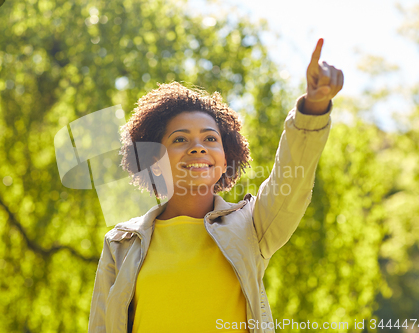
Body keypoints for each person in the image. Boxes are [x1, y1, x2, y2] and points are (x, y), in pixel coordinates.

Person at [88, 38, 344, 333]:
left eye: (210, 138)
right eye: (180, 139)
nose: (198, 148)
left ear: (224, 159)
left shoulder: (254, 227)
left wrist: (313, 107)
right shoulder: (121, 244)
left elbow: (292, 176)